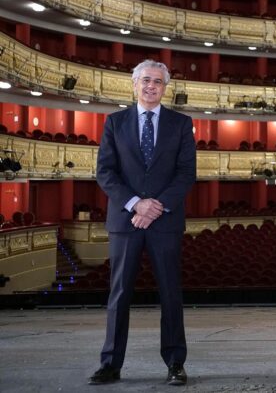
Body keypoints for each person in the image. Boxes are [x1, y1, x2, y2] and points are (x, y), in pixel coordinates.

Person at [88, 60, 196, 386]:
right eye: (146, 80)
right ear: (134, 84)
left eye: (158, 82)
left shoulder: (180, 123)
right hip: (125, 220)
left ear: (165, 88)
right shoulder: (114, 122)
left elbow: (185, 173)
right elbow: (105, 172)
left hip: (164, 221)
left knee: (170, 294)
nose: (151, 86)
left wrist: (155, 206)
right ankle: (110, 364)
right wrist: (137, 203)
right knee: (119, 294)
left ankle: (175, 363)